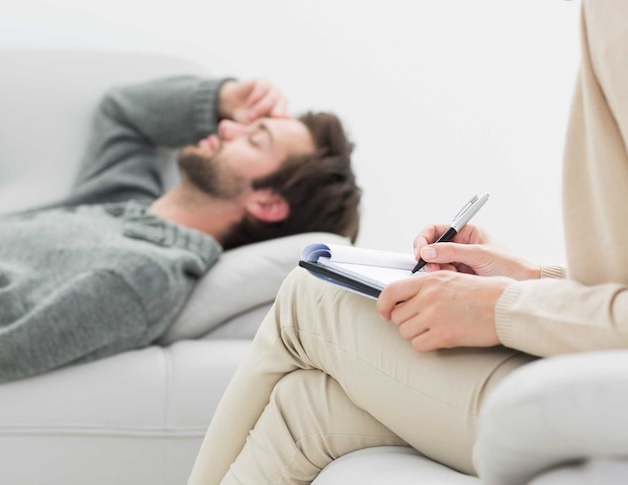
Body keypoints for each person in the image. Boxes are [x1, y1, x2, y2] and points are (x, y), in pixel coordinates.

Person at [187, 1, 628, 483]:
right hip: (595, 362)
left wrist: (503, 307)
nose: (226, 128)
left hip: (602, 389)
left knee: (308, 295)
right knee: (304, 409)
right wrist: (529, 276)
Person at [0, 75, 362, 387]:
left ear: (269, 202)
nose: (230, 127)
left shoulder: (138, 278)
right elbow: (123, 112)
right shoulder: (120, 206)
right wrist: (219, 95)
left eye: (253, 139)